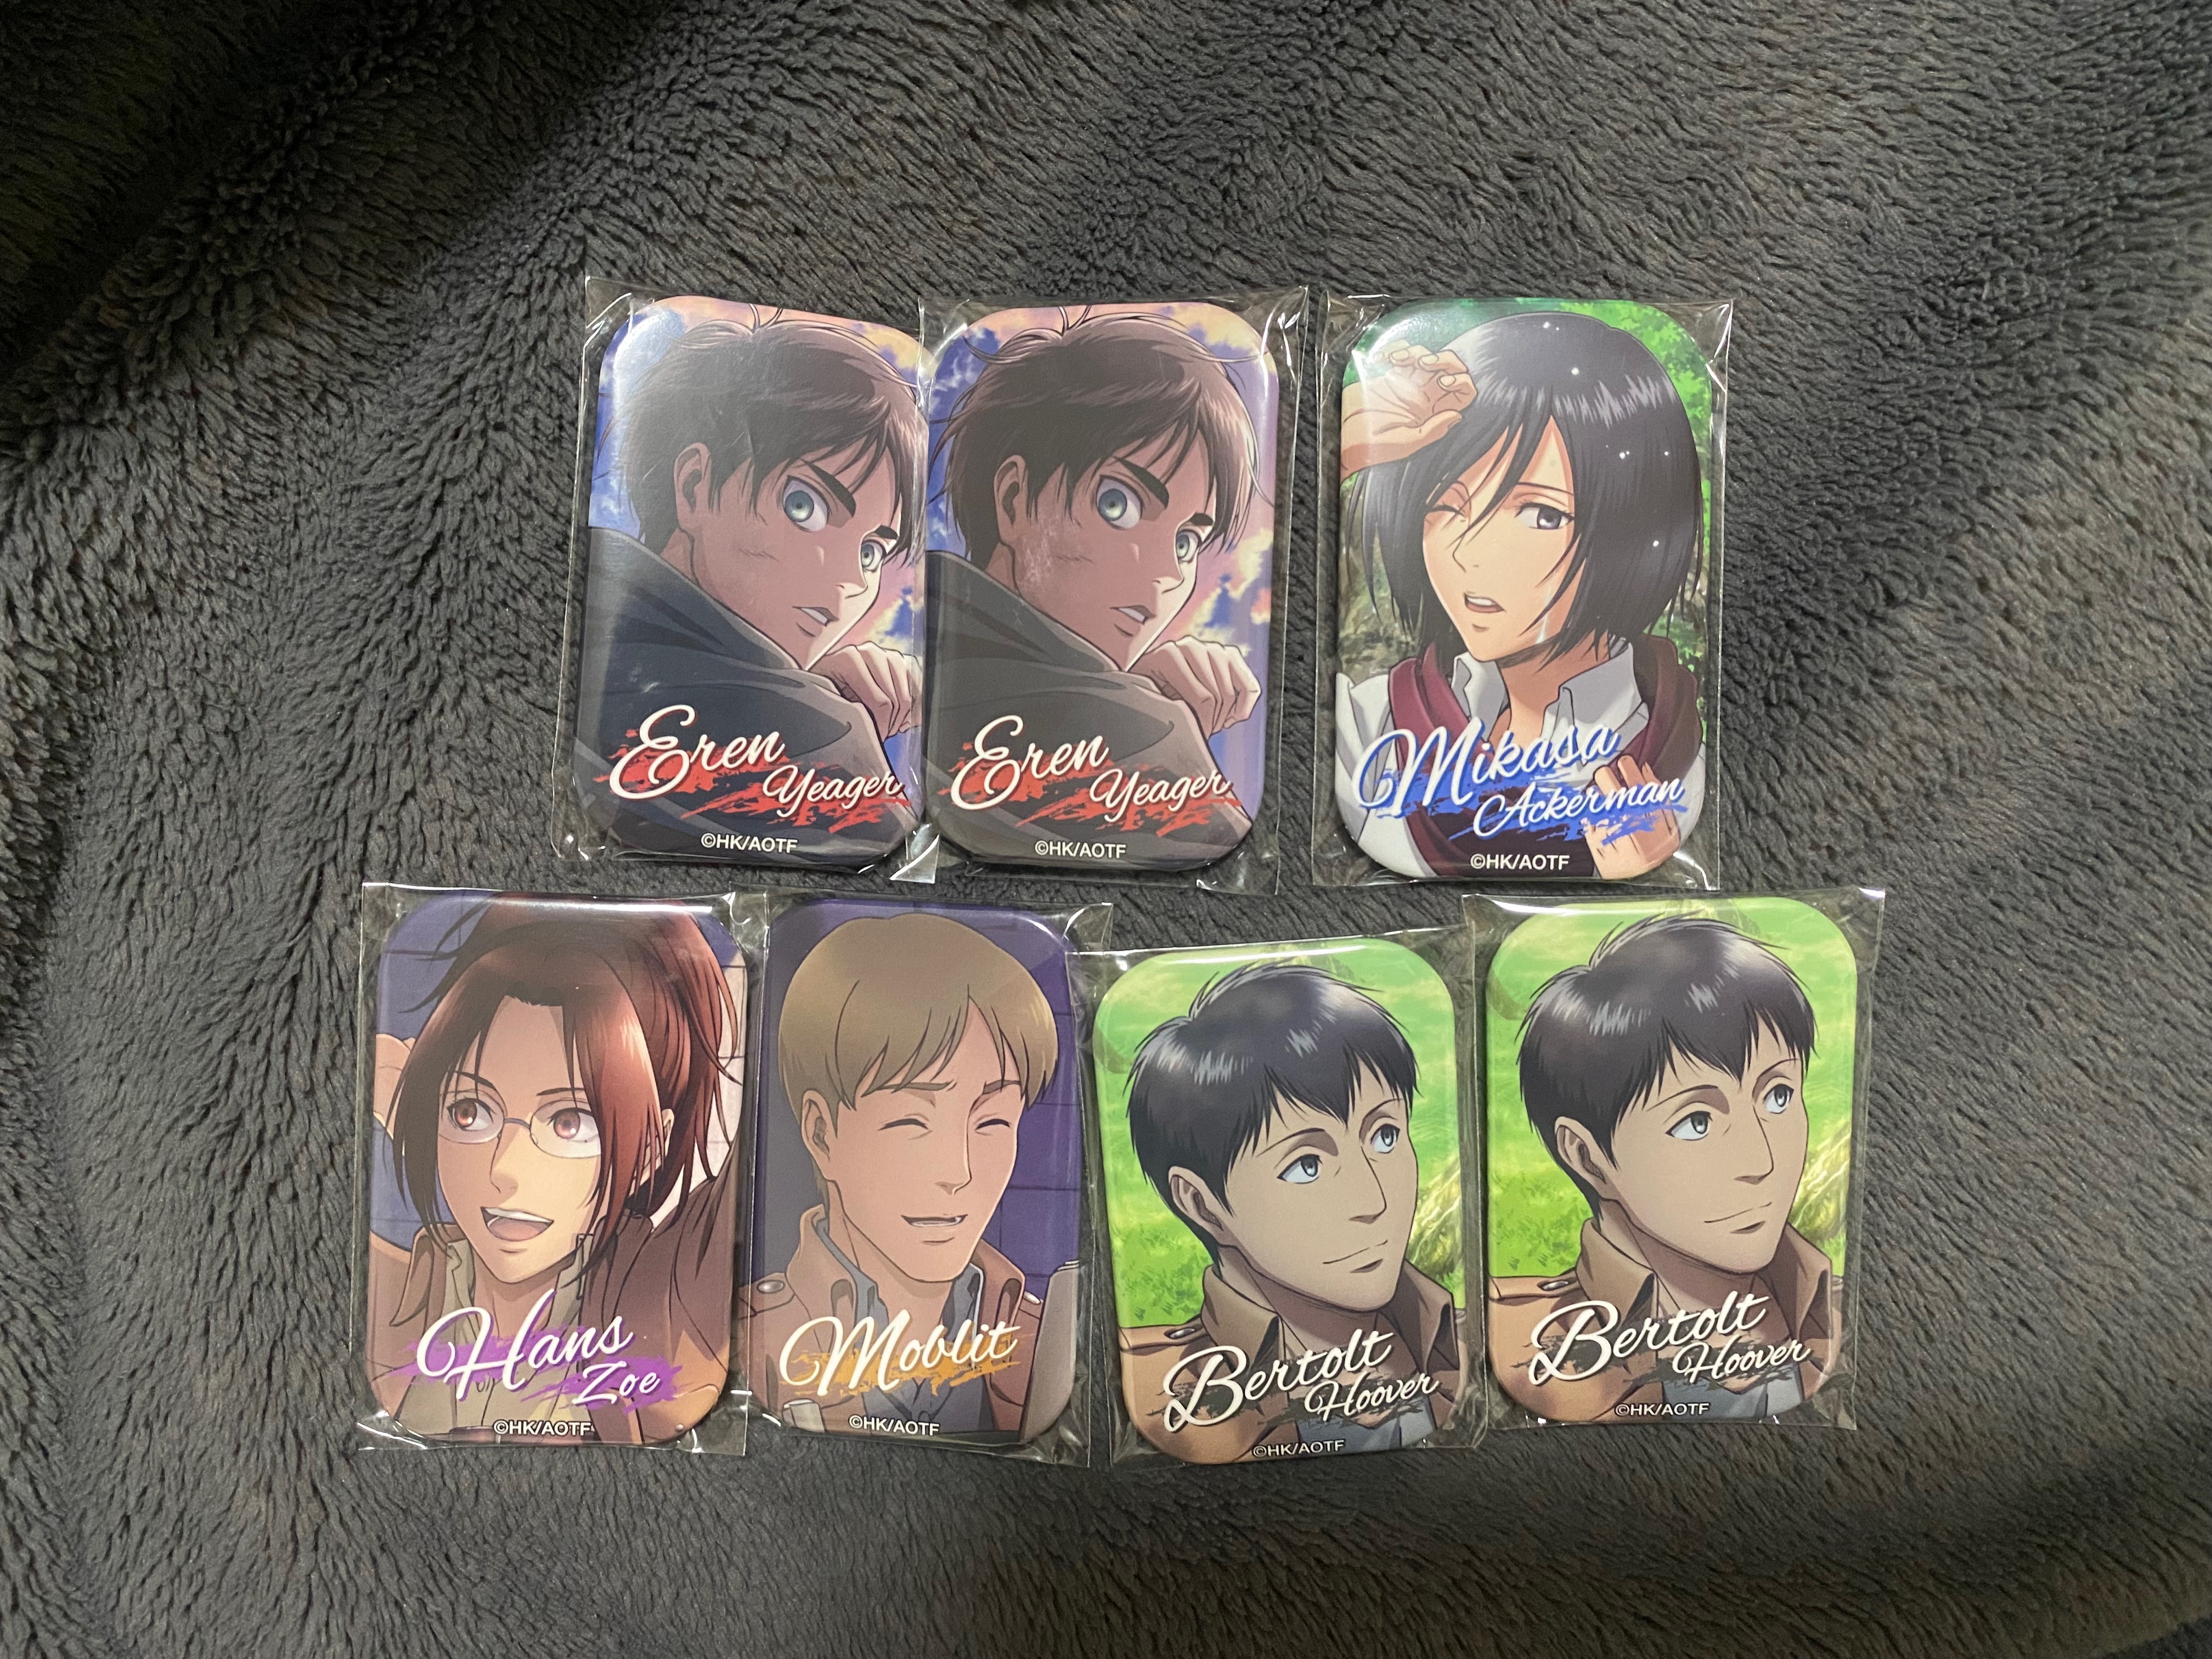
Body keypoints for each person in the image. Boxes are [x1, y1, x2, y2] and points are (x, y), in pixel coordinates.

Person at [1333, 309, 1707, 879]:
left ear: (1632, 529)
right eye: (1447, 504)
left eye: (1541, 514)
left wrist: (1647, 872)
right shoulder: (1374, 723)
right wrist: (1354, 445)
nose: (1469, 554)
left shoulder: (1671, 753)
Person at [365, 899, 743, 1444]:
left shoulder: (658, 1296)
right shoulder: (415, 1287)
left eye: (569, 1123)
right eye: (470, 1113)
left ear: (651, 1146)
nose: (506, 1169)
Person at [574, 314, 924, 863]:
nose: (852, 579)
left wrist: (807, 691)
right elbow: (869, 833)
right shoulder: (821, 733)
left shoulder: (605, 618)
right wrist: (830, 726)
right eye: (803, 506)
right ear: (695, 486)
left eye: (871, 551)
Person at [923, 312, 1263, 864]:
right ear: (1013, 501)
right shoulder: (1146, 730)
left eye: (1187, 541)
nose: (1167, 574)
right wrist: (1153, 727)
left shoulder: (932, 645)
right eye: (1117, 504)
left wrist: (1131, 693)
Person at [1489, 915, 1840, 1423]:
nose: (1762, 1162)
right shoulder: (1526, 1341)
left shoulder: (1831, 1308)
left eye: (1778, 1096)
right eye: (1697, 1122)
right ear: (1587, 1157)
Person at [739, 911, 1067, 1441]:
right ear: (822, 1134)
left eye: (992, 1122)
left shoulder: (1041, 1342)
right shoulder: (748, 1340)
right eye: (911, 1122)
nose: (958, 1172)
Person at [1118, 963, 1462, 1462]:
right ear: (1203, 1205)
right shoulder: (1172, 1392)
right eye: (1306, 1166)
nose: (1375, 1201)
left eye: (1385, 1135)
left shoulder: (1461, 1338)